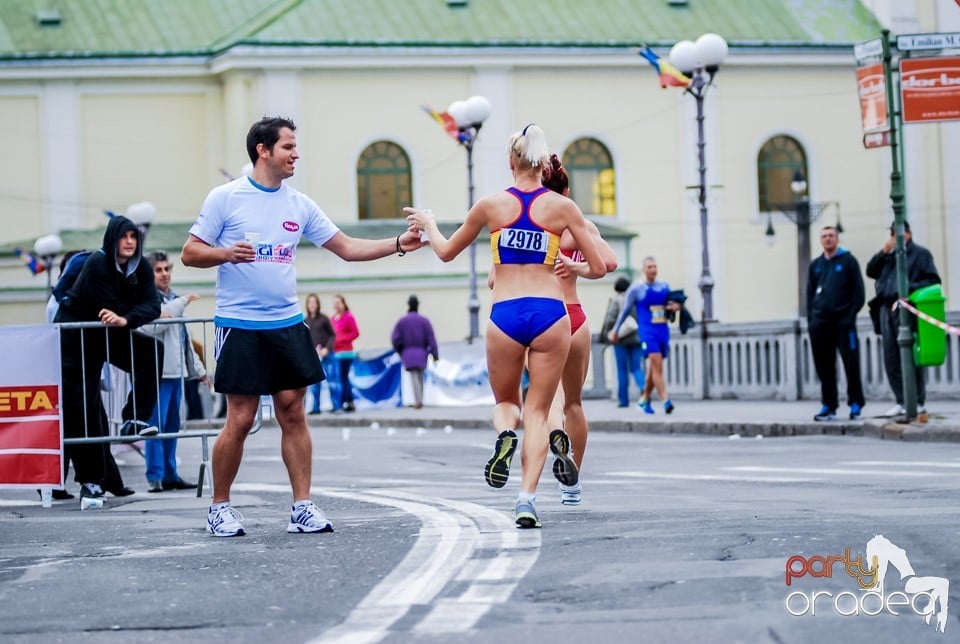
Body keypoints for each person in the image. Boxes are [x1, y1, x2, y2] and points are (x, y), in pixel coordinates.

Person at [181, 115, 425, 537]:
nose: (297, 154)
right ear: (263, 150)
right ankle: (219, 508)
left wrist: (399, 243)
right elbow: (189, 253)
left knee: (293, 412)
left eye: (296, 147)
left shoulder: (299, 204)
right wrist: (224, 254)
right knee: (239, 418)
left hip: (287, 323)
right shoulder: (226, 198)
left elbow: (346, 247)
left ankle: (302, 507)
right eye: (289, 147)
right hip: (240, 323)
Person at [405, 123, 607, 529]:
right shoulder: (563, 209)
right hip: (552, 314)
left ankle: (504, 436)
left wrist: (428, 223)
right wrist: (574, 266)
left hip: (505, 314)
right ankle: (526, 500)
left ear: (511, 161)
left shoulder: (490, 206)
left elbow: (445, 252)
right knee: (538, 411)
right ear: (542, 164)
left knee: (507, 404)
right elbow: (601, 267)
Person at [55, 215, 162, 505]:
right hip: (78, 336)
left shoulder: (140, 266)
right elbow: (109, 305)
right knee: (85, 407)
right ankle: (90, 482)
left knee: (152, 351)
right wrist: (127, 313)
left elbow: (152, 305)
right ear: (112, 239)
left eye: (134, 237)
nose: (129, 242)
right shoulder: (96, 264)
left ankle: (135, 419)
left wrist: (127, 317)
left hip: (110, 328)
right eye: (123, 237)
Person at [540, 154, 618, 506]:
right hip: (576, 317)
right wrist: (576, 266)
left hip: (544, 317)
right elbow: (610, 263)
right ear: (567, 189)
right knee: (574, 403)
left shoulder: (531, 226)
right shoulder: (579, 224)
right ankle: (571, 486)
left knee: (549, 399)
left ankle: (558, 439)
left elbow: (497, 278)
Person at [138, 251, 205, 492]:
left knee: (172, 426)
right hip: (156, 373)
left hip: (176, 372)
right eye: (159, 270)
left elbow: (185, 339)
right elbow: (150, 328)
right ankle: (154, 475)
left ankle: (170, 473)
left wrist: (199, 369)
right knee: (154, 426)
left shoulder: (172, 299)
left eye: (167, 269)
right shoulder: (145, 299)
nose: (165, 274)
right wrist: (182, 301)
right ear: (149, 274)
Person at [865, 221, 941, 417]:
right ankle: (901, 399)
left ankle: (917, 400)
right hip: (886, 308)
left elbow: (932, 280)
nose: (893, 237)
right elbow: (870, 271)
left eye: (897, 233)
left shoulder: (921, 254)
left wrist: (910, 288)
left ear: (908, 234)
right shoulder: (889, 255)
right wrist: (883, 252)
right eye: (891, 233)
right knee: (891, 357)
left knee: (910, 356)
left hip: (907, 308)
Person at [806, 226, 866, 421]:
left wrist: (849, 316)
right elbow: (809, 295)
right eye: (824, 236)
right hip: (820, 324)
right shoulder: (816, 265)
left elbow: (859, 293)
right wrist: (811, 320)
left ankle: (855, 403)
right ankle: (828, 405)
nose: (828, 239)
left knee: (851, 364)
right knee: (824, 366)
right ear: (820, 240)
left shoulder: (848, 261)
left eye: (831, 235)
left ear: (837, 239)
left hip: (843, 323)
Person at [609, 257, 679, 415]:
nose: (653, 269)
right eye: (649, 267)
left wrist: (676, 307)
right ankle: (666, 400)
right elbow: (625, 311)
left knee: (652, 369)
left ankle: (644, 400)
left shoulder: (664, 286)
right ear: (643, 269)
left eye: (655, 266)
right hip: (647, 332)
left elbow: (672, 306)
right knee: (656, 364)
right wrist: (615, 330)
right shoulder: (636, 289)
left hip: (662, 330)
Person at [600, 276, 645, 408]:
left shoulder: (617, 300)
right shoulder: (636, 299)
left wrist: (609, 333)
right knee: (636, 367)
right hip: (636, 338)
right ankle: (643, 389)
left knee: (622, 370)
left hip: (620, 339)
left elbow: (610, 319)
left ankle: (624, 400)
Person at [391, 294, 439, 409]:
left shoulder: (402, 322)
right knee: (420, 377)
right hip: (422, 353)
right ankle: (420, 399)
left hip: (408, 353)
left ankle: (418, 401)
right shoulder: (424, 321)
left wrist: (400, 350)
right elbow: (431, 339)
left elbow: (395, 338)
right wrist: (435, 354)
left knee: (414, 378)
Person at [304, 293, 335, 414]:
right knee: (315, 384)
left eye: (314, 302)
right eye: (310, 303)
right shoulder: (305, 321)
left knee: (332, 381)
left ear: (318, 304)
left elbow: (332, 335)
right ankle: (315, 407)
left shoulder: (324, 319)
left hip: (327, 354)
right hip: (314, 357)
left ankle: (336, 406)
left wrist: (327, 348)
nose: (312, 305)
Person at [330, 293, 359, 412]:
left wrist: (342, 339)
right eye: (334, 303)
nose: (336, 306)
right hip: (335, 352)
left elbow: (355, 333)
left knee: (343, 377)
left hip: (346, 352)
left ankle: (345, 401)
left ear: (343, 303)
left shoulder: (348, 317)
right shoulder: (332, 319)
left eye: (338, 303)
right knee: (339, 378)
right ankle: (346, 401)